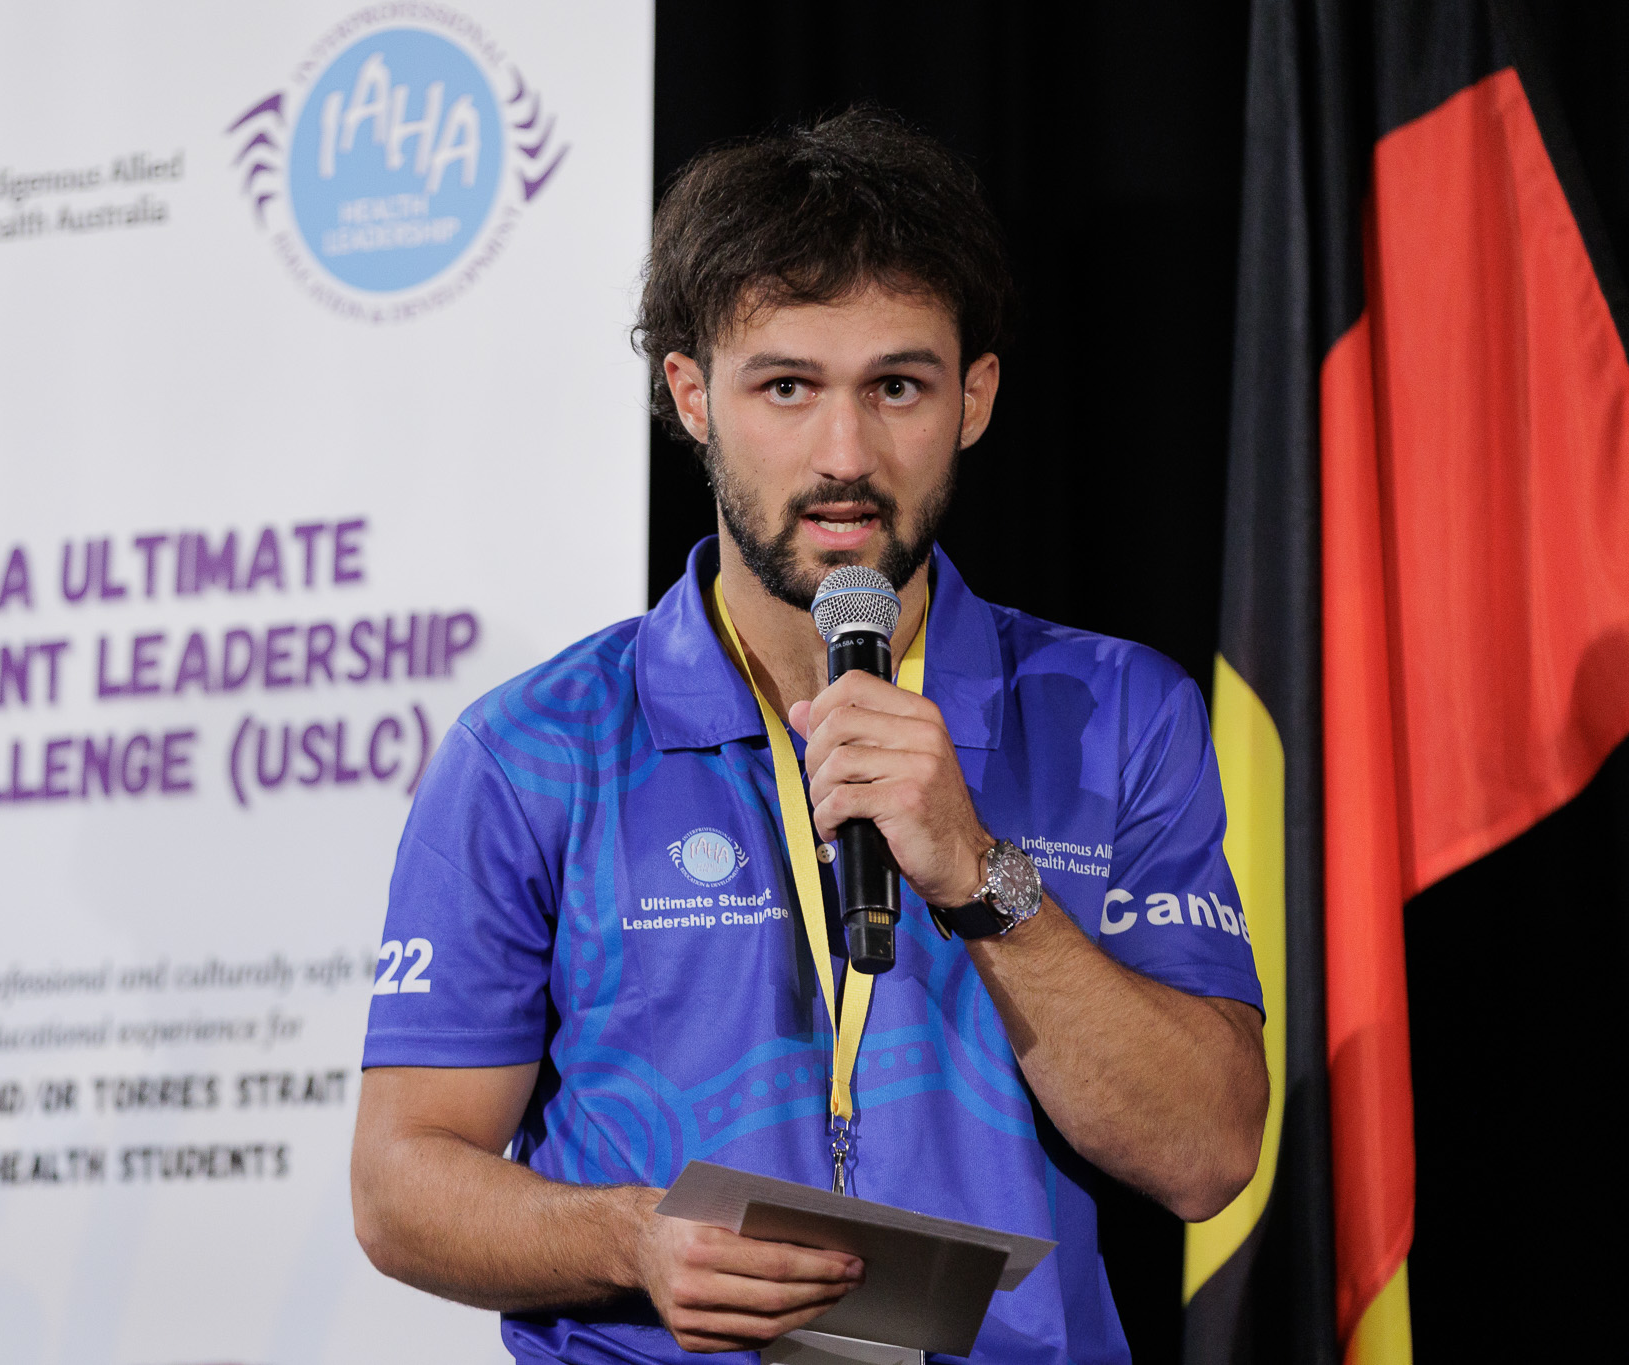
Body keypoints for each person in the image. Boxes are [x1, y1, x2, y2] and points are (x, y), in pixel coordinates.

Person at [350, 108, 1267, 1365]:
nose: (845, 456)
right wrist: (629, 1239)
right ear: (691, 395)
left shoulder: (1117, 714)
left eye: (896, 387)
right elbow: (400, 1183)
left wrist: (978, 874)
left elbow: (1205, 1154)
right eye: (785, 387)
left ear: (974, 398)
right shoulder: (531, 750)